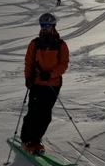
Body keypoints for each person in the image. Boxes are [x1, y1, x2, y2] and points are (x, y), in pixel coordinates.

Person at [20, 13, 69, 153]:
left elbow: (63, 64)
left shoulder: (61, 45)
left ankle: (36, 139)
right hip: (36, 83)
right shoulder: (34, 44)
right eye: (42, 25)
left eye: (47, 25)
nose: (44, 28)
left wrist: (51, 74)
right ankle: (26, 139)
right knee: (33, 113)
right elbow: (28, 62)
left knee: (45, 115)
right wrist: (28, 78)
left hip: (52, 85)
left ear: (53, 26)